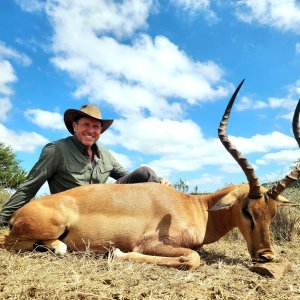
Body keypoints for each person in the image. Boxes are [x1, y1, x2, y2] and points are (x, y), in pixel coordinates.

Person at [0, 104, 171, 226]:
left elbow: (129, 177)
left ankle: (170, 222)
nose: (91, 130)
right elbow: (29, 187)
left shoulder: (105, 153)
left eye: (96, 127)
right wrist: (3, 219)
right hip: (73, 210)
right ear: (75, 126)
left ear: (100, 131)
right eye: (86, 125)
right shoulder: (56, 150)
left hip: (105, 206)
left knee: (145, 173)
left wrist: (159, 181)